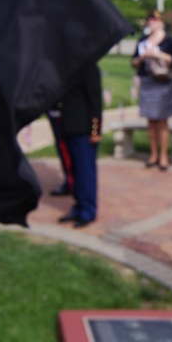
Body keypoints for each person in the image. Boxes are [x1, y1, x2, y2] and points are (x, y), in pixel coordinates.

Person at [54, 62, 102, 228]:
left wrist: (95, 131)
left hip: (84, 130)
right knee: (75, 171)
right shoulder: (67, 66)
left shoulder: (89, 67)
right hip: (68, 126)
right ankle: (78, 206)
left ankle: (88, 210)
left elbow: (95, 101)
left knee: (85, 172)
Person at [131, 12, 172, 170]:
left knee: (162, 120)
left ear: (161, 22)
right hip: (147, 81)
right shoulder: (142, 41)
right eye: (149, 19)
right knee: (151, 120)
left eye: (155, 19)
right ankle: (154, 154)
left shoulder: (170, 40)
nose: (151, 22)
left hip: (162, 81)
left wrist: (157, 54)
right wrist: (143, 57)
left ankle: (164, 156)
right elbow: (133, 62)